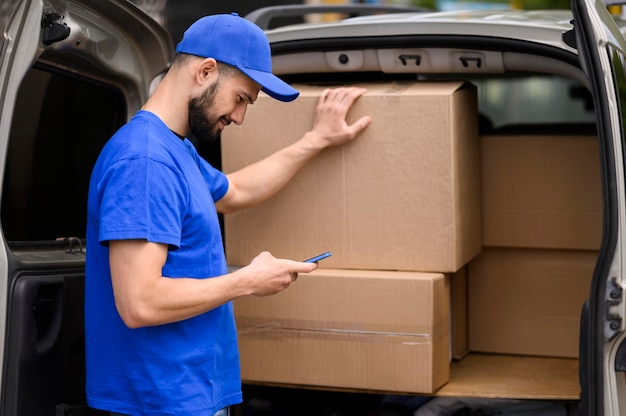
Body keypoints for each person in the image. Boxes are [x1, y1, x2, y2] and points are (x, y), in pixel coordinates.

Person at [84, 12, 371, 416]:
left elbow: (237, 190)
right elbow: (140, 303)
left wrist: (316, 140)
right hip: (160, 402)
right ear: (205, 71)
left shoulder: (175, 150)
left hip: (190, 393)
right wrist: (247, 281)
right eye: (241, 98)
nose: (239, 117)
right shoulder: (146, 162)